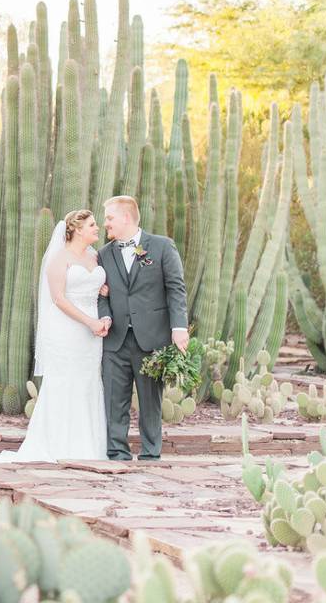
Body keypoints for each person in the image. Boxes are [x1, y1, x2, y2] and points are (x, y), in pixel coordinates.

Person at [0, 209, 108, 463]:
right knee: (64, 382)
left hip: (93, 333)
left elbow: (100, 289)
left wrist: (102, 311)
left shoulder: (95, 256)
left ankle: (88, 447)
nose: (97, 228)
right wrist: (88, 321)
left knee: (87, 381)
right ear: (77, 229)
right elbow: (58, 299)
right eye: (92, 225)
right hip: (68, 330)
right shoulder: (59, 258)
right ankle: (60, 446)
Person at [97, 195, 188, 461]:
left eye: (110, 218)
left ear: (126, 217)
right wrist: (106, 317)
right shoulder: (104, 254)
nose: (106, 224)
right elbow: (101, 296)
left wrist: (179, 327)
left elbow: (175, 289)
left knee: (150, 402)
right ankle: (116, 453)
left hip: (151, 338)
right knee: (115, 401)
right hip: (115, 340)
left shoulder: (161, 247)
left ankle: (151, 454)